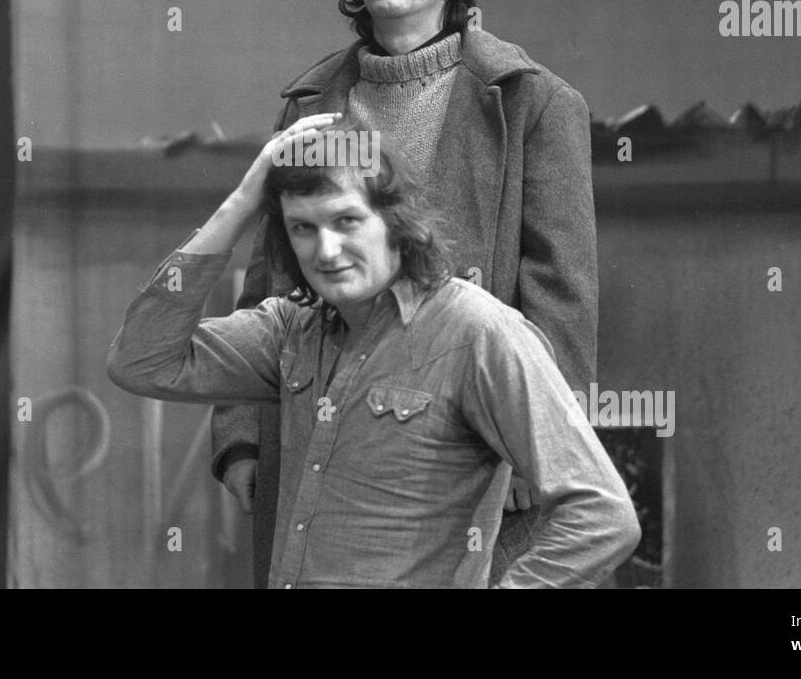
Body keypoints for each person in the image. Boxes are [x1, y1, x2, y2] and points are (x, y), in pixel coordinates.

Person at [211, 0, 601, 586]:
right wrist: (241, 439)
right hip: (323, 449)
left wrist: (539, 454)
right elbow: (265, 285)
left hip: (466, 451)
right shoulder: (311, 106)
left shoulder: (533, 105)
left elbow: (564, 306)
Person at [108, 118, 638, 588]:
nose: (327, 250)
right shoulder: (291, 329)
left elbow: (603, 514)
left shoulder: (478, 332)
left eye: (346, 221)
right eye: (303, 228)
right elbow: (141, 361)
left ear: (396, 221)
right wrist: (244, 199)